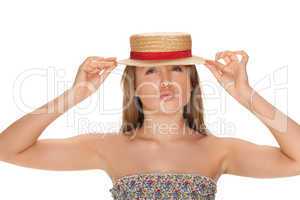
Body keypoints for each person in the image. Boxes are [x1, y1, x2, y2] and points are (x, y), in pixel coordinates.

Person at [0, 32, 299, 200]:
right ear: (134, 85)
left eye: (178, 69)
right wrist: (75, 95)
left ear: (191, 81)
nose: (166, 80)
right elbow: (7, 148)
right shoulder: (108, 148)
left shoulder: (219, 150)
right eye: (152, 71)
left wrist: (245, 94)